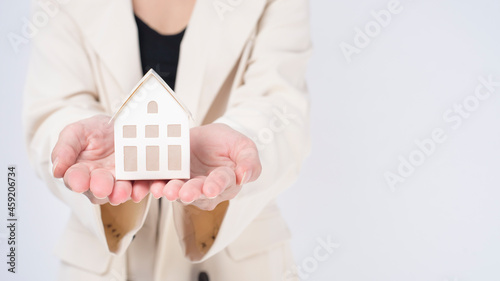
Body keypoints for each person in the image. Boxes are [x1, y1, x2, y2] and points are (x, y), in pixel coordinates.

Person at [23, 0, 312, 280]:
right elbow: (54, 105)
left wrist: (240, 144)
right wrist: (78, 140)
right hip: (103, 266)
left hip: (239, 264)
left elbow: (280, 104)